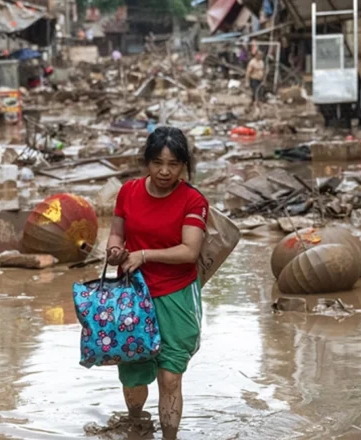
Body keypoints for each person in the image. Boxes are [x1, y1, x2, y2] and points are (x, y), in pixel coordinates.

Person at [106, 126, 208, 440]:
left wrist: (144, 255)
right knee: (133, 376)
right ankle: (136, 425)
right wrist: (115, 251)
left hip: (176, 295)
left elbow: (189, 251)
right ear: (147, 162)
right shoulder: (128, 191)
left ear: (184, 165)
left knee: (170, 377)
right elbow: (117, 233)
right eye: (158, 163)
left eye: (173, 164)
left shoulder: (193, 200)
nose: (165, 171)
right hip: (132, 297)